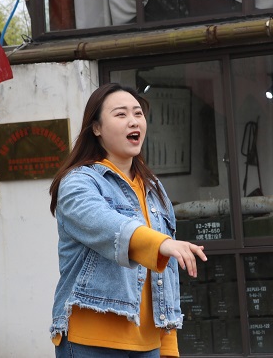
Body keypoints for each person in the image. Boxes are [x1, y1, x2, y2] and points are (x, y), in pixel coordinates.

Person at [49, 83, 207, 358]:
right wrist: (161, 244)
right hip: (90, 342)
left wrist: (168, 345)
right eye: (121, 114)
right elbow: (105, 223)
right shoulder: (78, 182)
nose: (133, 121)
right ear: (96, 128)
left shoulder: (153, 187)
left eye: (138, 113)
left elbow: (165, 274)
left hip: (148, 346)